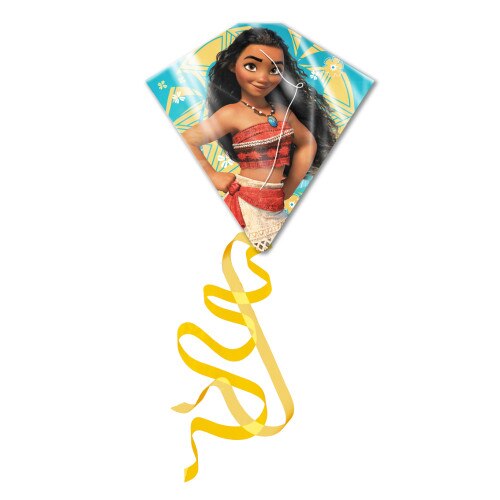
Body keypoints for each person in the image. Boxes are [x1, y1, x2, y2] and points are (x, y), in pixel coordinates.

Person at [182, 27, 337, 251]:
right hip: (246, 204)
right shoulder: (230, 114)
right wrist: (212, 175)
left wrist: (290, 186)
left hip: (276, 206)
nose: (263, 78)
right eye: (251, 66)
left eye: (274, 70)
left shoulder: (282, 112)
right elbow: (188, 140)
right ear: (232, 65)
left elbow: (307, 142)